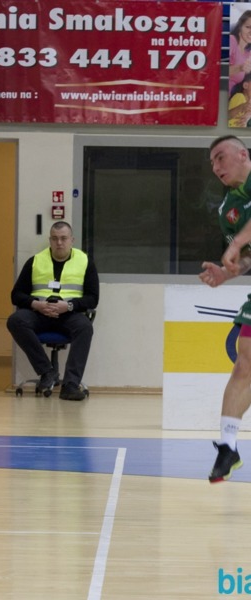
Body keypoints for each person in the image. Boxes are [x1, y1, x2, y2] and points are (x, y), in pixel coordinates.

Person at [200, 135, 251, 483]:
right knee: (244, 360)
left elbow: (241, 243)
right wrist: (228, 272)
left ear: (242, 154)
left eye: (220, 158)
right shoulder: (227, 210)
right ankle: (228, 446)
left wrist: (237, 245)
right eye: (212, 163)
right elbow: (246, 259)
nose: (216, 167)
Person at [7, 221, 99, 401]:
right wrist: (36, 304)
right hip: (39, 314)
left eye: (63, 238)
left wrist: (69, 305)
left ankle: (70, 385)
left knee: (85, 327)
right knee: (15, 321)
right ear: (50, 240)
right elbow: (16, 295)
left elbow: (93, 298)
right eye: (55, 239)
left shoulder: (85, 262)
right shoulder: (35, 261)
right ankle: (47, 371)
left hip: (69, 314)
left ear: (72, 240)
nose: (59, 243)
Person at [229, 10, 251, 95]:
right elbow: (217, 71)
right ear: (240, 26)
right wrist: (240, 68)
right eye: (248, 27)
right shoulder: (231, 41)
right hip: (215, 93)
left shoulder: (248, 53)